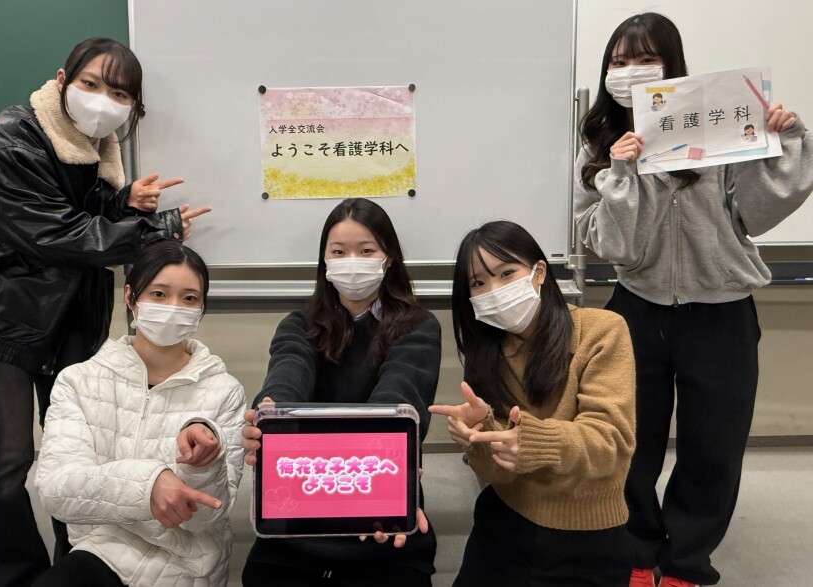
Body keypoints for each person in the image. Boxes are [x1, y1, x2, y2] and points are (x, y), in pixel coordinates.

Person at [574, 12, 813, 587]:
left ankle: (686, 561)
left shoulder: (718, 121)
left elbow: (756, 213)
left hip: (722, 309)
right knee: (630, 443)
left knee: (714, 447)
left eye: (645, 59)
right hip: (637, 307)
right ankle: (636, 554)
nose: (630, 71)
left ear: (672, 65)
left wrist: (780, 142)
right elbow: (610, 244)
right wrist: (624, 172)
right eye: (618, 61)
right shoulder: (596, 143)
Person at [0, 37, 210, 586]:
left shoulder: (96, 146)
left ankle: (76, 570)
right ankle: (8, 576)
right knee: (6, 461)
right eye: (91, 84)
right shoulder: (11, 135)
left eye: (120, 94)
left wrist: (121, 202)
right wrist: (154, 229)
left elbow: (75, 210)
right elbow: (54, 232)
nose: (104, 100)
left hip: (71, 319)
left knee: (77, 457)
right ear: (63, 80)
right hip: (5, 318)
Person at [240, 197, 441, 587]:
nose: (352, 261)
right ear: (325, 261)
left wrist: (380, 462)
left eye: (366, 251)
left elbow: (397, 401)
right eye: (339, 251)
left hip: (382, 512)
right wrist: (268, 414)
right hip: (295, 525)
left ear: (389, 259)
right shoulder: (299, 324)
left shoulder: (418, 325)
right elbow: (287, 376)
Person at [429, 220, 636, 587]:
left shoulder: (602, 330)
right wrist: (480, 436)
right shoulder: (486, 352)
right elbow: (497, 474)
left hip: (589, 535)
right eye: (478, 283)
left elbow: (611, 443)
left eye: (506, 273)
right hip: (505, 519)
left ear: (539, 272)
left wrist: (531, 442)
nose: (494, 290)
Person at [32, 240, 246, 587]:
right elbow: (57, 490)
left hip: (187, 567)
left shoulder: (225, 391)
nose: (173, 308)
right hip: (101, 552)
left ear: (201, 308)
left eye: (189, 298)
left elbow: (206, 516)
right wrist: (148, 486)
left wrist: (202, 466)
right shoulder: (79, 381)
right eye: (159, 294)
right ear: (130, 297)